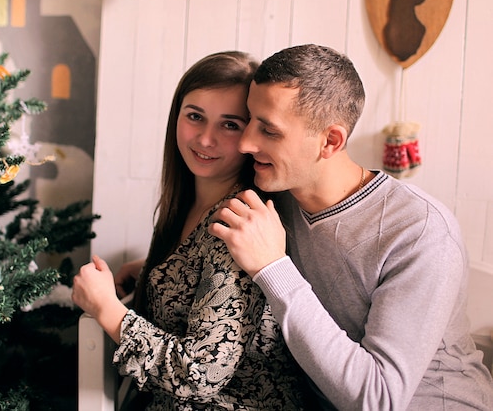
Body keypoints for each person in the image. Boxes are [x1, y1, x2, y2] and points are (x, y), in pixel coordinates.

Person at [208, 44, 493, 410]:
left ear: (331, 141)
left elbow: (378, 400)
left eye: (269, 131)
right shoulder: (278, 197)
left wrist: (272, 267)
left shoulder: (419, 233)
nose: (246, 143)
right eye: (249, 120)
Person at [72, 51, 312, 410]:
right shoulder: (189, 203)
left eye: (229, 124)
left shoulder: (238, 224)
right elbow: (203, 273)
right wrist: (154, 270)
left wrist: (107, 309)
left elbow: (199, 373)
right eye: (195, 116)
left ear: (251, 133)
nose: (204, 139)